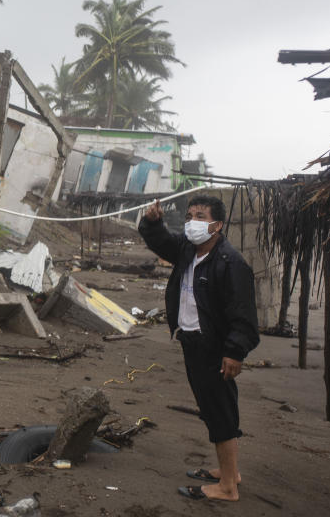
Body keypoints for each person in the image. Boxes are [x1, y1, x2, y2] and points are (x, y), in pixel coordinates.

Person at [138, 195, 259, 502]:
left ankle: (228, 487)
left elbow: (243, 316)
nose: (192, 222)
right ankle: (229, 472)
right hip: (192, 341)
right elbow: (161, 241)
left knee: (220, 412)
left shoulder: (230, 263)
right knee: (213, 409)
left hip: (215, 348)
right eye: (190, 216)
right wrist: (153, 222)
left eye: (200, 216)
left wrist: (234, 352)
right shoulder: (187, 251)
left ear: (217, 225)